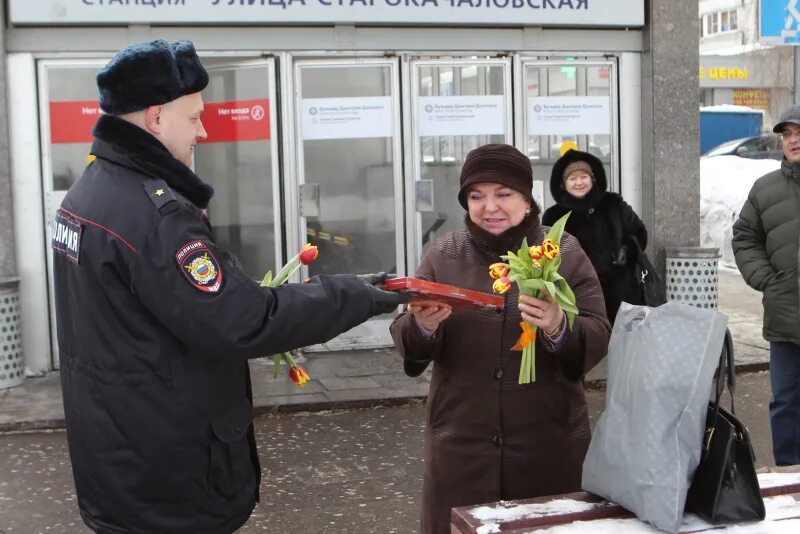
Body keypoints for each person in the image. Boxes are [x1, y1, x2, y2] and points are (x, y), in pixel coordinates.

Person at [51, 39, 409, 534]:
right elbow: (245, 320)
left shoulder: (88, 192)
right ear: (156, 118)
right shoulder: (156, 216)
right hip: (169, 475)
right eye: (194, 117)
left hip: (116, 454)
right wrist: (355, 295)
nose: (203, 130)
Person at [390, 144, 611, 534]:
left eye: (503, 194)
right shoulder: (444, 253)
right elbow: (406, 338)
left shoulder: (562, 251)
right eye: (477, 196)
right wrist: (423, 326)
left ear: (527, 199)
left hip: (547, 447)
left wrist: (558, 325)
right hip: (461, 449)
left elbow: (598, 332)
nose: (489, 207)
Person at [732, 104, 800, 466]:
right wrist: (767, 280)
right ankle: (789, 475)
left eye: (799, 132)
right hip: (785, 318)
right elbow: (745, 237)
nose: (793, 139)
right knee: (785, 402)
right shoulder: (765, 189)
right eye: (787, 134)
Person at [542, 148, 648, 324]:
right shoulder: (554, 216)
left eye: (583, 177)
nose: (579, 182)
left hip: (621, 295)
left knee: (623, 339)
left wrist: (627, 249)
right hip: (577, 295)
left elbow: (639, 232)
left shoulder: (613, 204)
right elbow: (547, 255)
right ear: (563, 183)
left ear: (593, 178)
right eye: (572, 178)